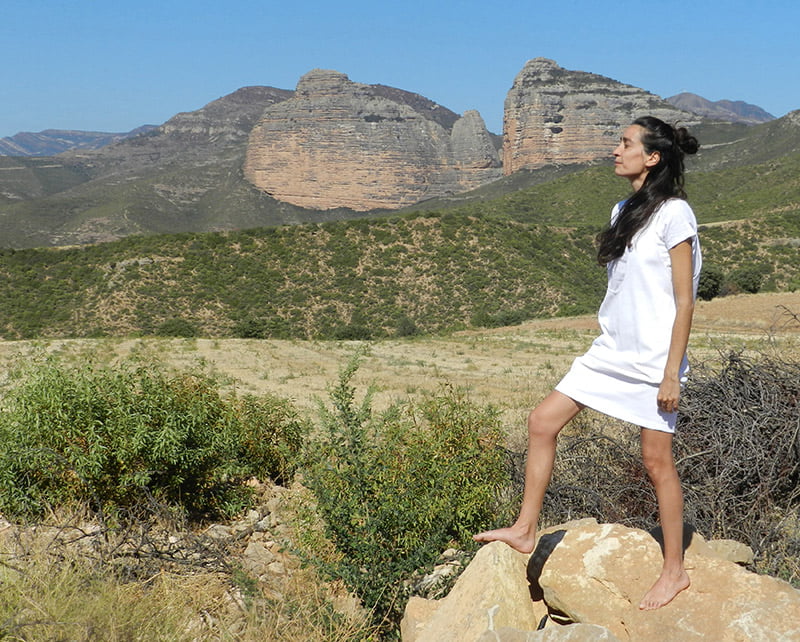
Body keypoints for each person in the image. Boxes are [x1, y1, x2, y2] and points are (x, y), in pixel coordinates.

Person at [474, 115, 701, 611]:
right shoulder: (624, 208)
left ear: (653, 157)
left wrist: (670, 373)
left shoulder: (675, 214)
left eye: (625, 144)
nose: (615, 150)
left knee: (656, 461)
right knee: (542, 421)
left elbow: (685, 301)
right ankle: (524, 528)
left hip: (652, 361)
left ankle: (675, 571)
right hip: (611, 353)